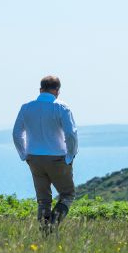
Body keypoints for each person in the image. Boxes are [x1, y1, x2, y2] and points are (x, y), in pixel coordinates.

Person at [13, 75, 78, 234]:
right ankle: (53, 226)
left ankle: (44, 234)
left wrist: (24, 155)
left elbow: (16, 134)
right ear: (57, 91)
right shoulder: (62, 108)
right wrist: (70, 155)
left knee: (43, 200)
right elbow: (70, 134)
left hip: (34, 157)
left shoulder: (26, 107)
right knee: (67, 195)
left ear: (40, 89)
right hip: (57, 158)